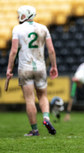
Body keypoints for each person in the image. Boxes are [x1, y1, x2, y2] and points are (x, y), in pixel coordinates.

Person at [6, 5, 58, 136]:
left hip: (25, 68)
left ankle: (34, 130)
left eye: (19, 15)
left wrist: (9, 69)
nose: (18, 17)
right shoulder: (43, 28)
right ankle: (46, 118)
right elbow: (51, 50)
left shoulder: (17, 29)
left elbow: (13, 51)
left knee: (30, 99)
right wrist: (54, 66)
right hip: (40, 67)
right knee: (43, 96)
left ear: (24, 15)